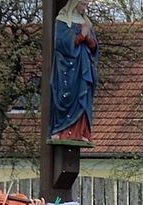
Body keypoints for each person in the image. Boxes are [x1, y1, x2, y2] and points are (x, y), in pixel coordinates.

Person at [49, 0, 98, 143]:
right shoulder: (63, 20)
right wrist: (81, 35)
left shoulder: (86, 22)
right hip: (67, 67)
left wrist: (87, 37)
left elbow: (94, 47)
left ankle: (80, 131)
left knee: (83, 95)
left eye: (86, 4)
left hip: (83, 66)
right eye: (82, 3)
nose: (84, 7)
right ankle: (62, 130)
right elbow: (61, 43)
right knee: (66, 95)